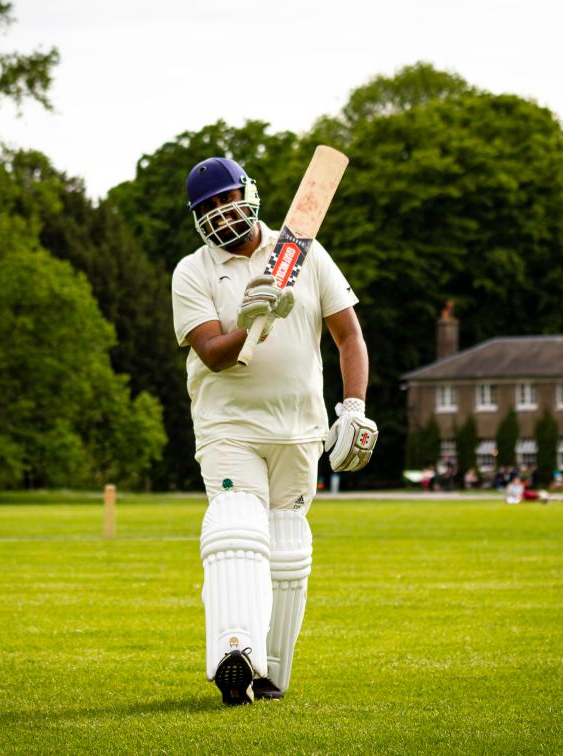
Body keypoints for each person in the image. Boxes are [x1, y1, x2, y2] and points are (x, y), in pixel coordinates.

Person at [172, 156, 377, 706]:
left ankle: (271, 674)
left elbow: (349, 337)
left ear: (249, 193)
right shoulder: (192, 271)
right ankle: (234, 652)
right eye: (208, 207)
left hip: (300, 429)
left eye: (226, 199)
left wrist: (353, 408)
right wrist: (248, 322)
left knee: (286, 547)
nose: (221, 213)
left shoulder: (305, 254)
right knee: (237, 528)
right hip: (229, 427)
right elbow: (212, 354)